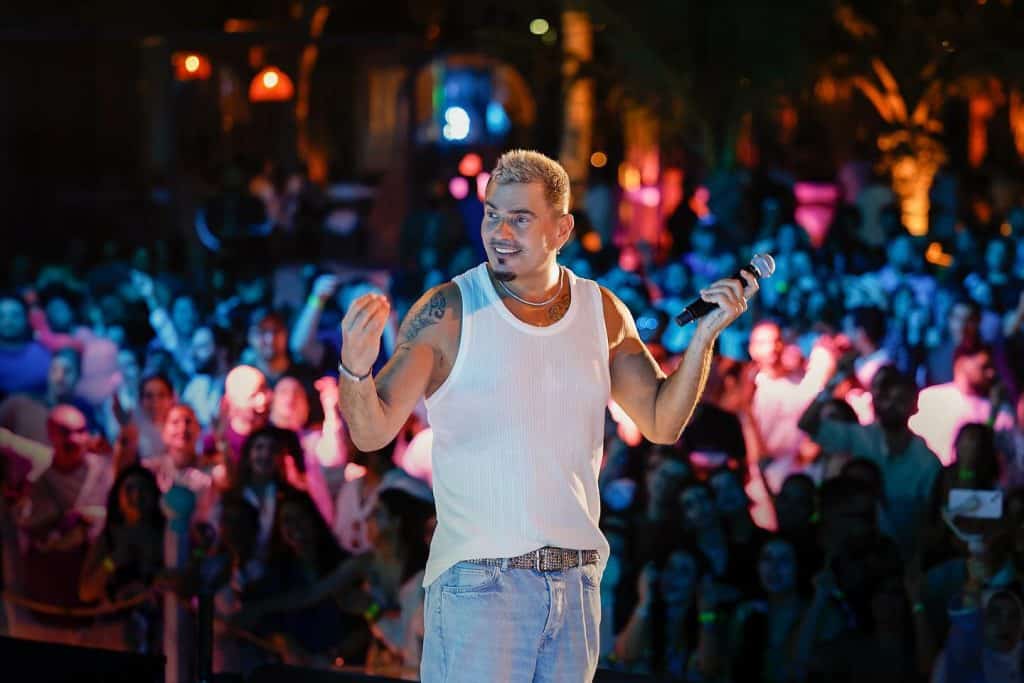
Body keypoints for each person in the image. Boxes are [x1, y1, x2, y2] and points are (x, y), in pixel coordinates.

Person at [336, 149, 758, 681]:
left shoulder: (602, 311)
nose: (499, 232)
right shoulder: (448, 311)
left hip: (575, 583)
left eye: (519, 218)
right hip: (481, 583)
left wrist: (703, 340)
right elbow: (371, 432)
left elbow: (661, 421)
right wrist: (354, 367)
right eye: (492, 214)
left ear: (562, 229)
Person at [800, 367, 941, 559]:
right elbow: (807, 423)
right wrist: (835, 380)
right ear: (876, 400)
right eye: (886, 398)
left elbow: (930, 518)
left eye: (900, 399)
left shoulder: (926, 460)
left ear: (914, 405)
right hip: (851, 552)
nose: (891, 405)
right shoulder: (858, 436)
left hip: (902, 557)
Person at [910, 342, 1015, 466]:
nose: (991, 373)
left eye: (992, 367)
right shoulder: (929, 398)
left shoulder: (1000, 412)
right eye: (984, 366)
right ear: (962, 362)